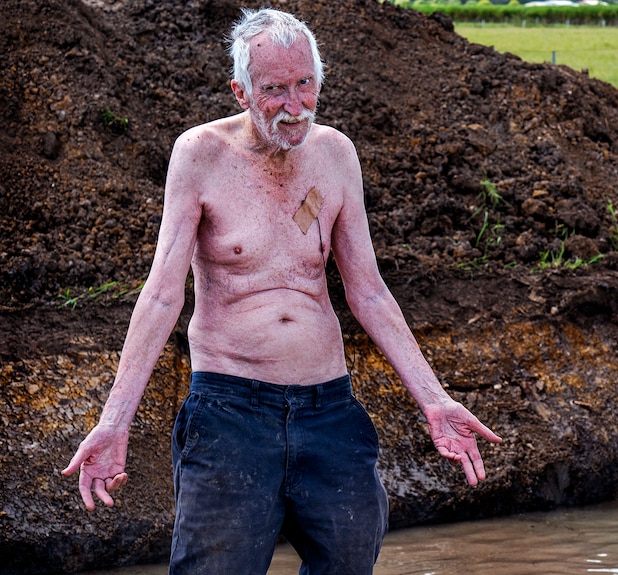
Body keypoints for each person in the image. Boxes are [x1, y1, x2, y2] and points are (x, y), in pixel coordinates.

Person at [61, 8, 502, 574]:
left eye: (306, 85)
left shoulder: (336, 155)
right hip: (230, 411)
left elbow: (368, 292)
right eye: (274, 90)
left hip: (329, 410)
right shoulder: (200, 155)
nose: (295, 107)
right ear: (240, 91)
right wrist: (115, 420)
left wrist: (434, 399)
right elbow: (163, 296)